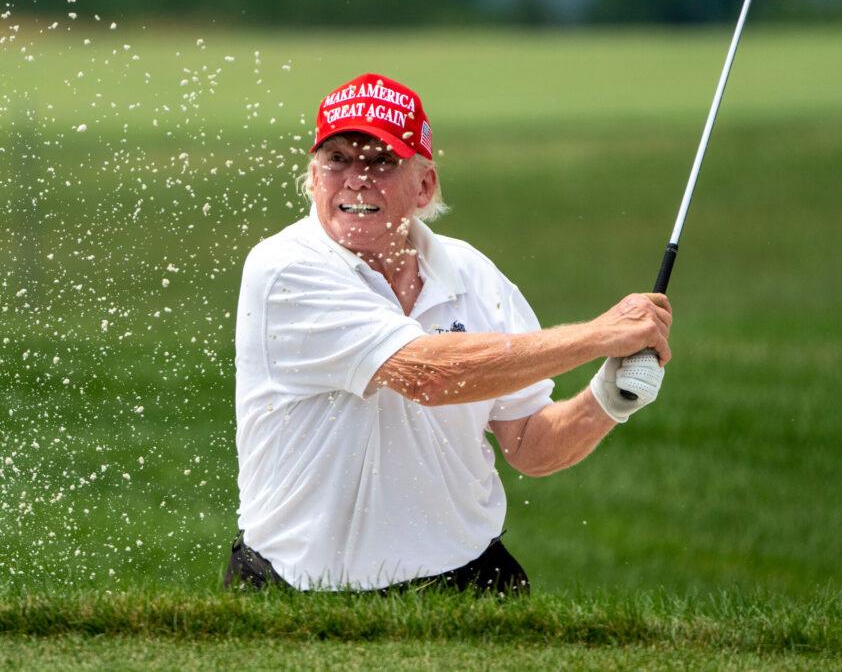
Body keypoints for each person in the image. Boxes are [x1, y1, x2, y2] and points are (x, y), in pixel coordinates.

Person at [224, 73, 672, 595]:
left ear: (424, 186)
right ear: (313, 177)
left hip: (469, 582)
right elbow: (428, 375)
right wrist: (600, 336)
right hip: (302, 591)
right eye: (337, 159)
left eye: (381, 161)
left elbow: (529, 443)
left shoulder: (471, 273)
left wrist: (609, 398)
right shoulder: (285, 268)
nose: (356, 179)